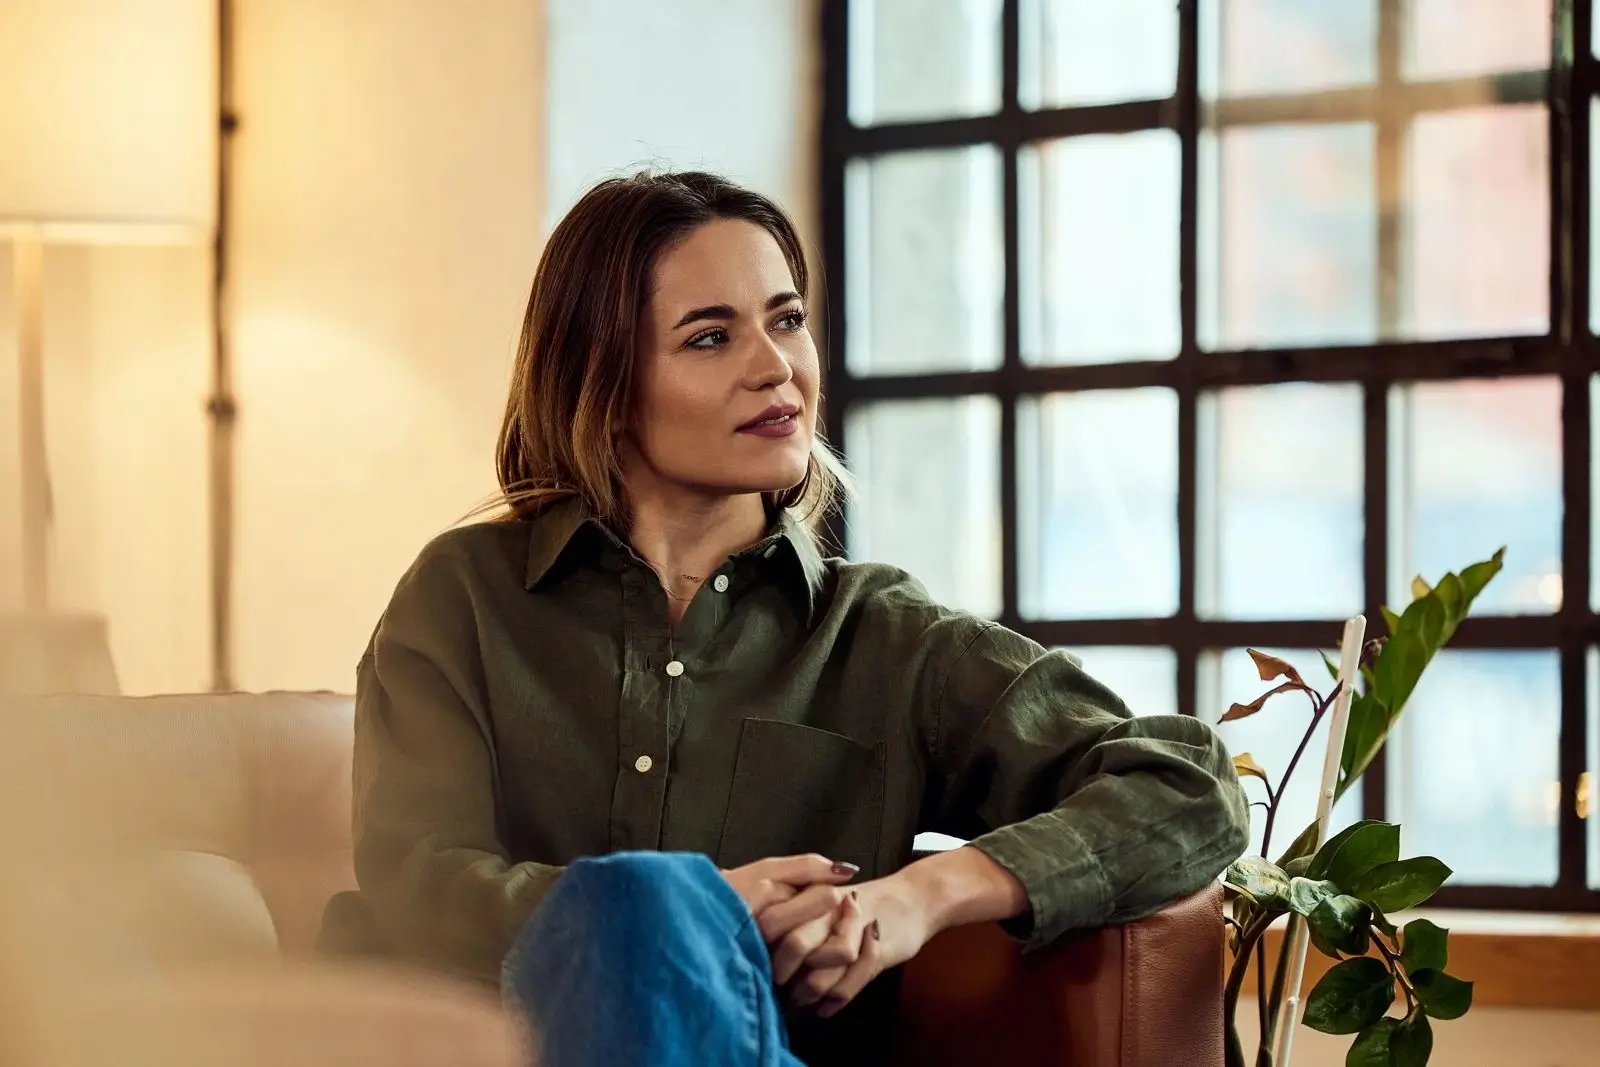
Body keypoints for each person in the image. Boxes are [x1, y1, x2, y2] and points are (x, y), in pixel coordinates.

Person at [320, 170, 1250, 1066]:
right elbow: (418, 884)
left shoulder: (888, 638)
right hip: (498, 1048)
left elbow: (1186, 782)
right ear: (601, 387)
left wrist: (919, 897)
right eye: (710, 337)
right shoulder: (464, 598)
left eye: (788, 320)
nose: (778, 369)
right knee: (646, 908)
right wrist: (695, 916)